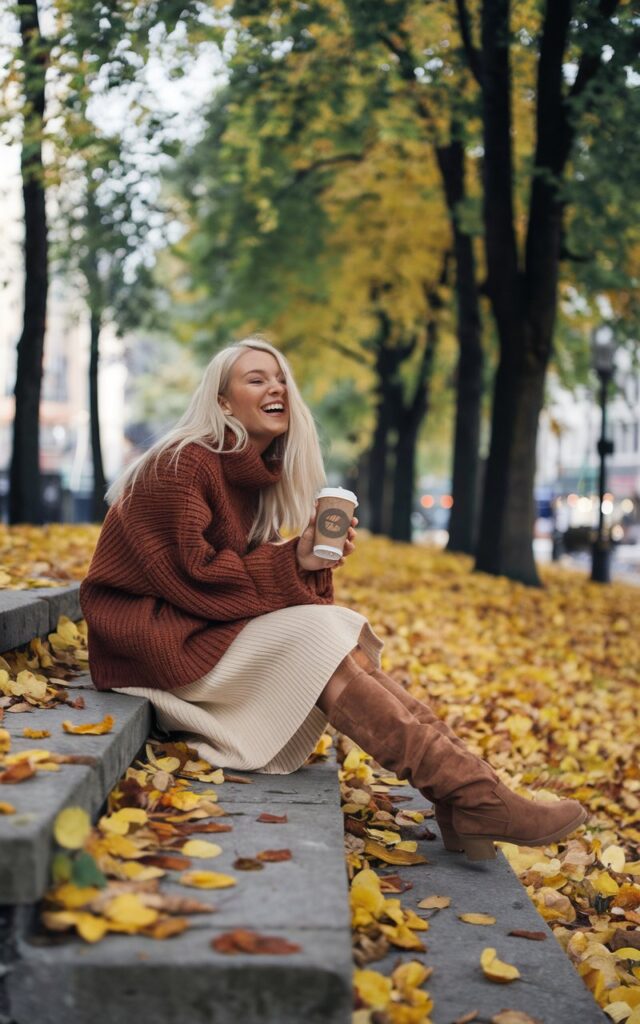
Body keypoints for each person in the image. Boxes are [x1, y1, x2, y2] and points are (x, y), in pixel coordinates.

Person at [80, 337, 586, 862]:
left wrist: (307, 561)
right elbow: (195, 579)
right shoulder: (183, 464)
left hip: (191, 628)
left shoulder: (248, 479)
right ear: (223, 402)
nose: (275, 387)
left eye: (279, 379)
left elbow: (236, 589)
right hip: (149, 641)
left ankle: (470, 795)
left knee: (330, 633)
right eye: (256, 379)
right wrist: (289, 562)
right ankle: (474, 797)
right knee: (321, 638)